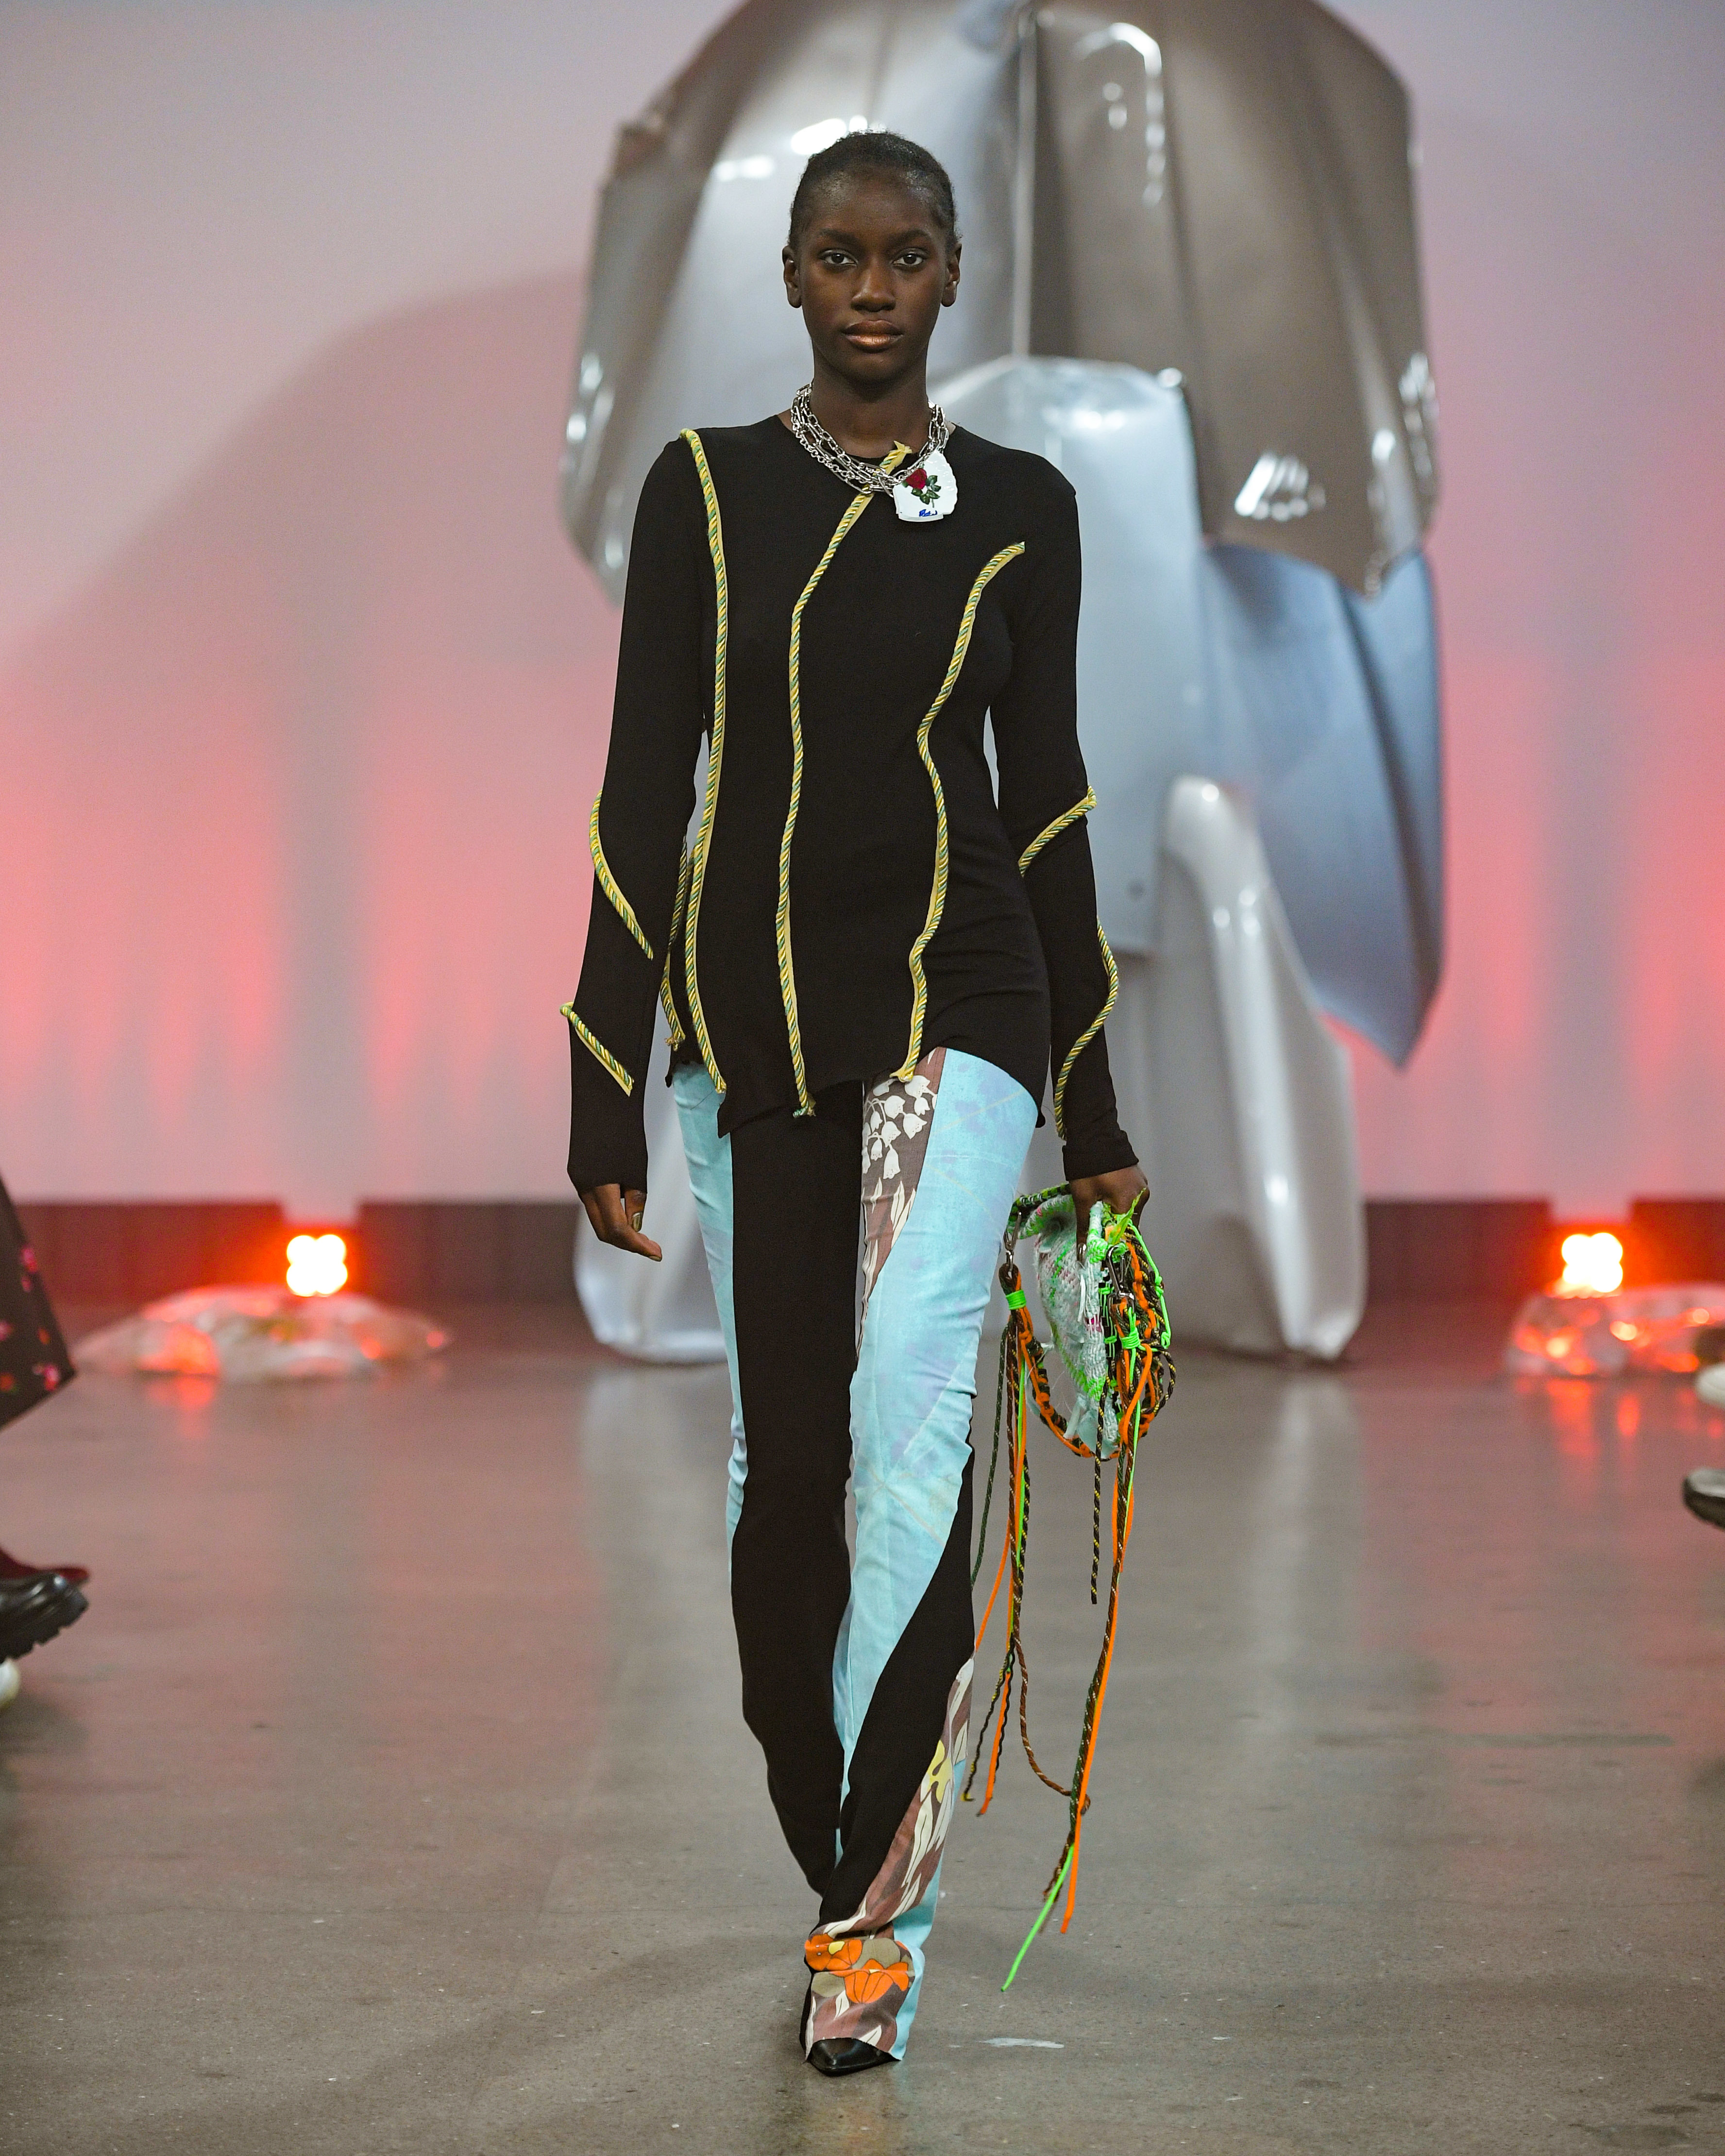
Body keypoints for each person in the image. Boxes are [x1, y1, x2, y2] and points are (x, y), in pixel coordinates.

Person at [563, 130, 1145, 2075]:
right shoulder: (704, 493)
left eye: (906, 255)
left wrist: (1091, 1103)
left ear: (953, 273)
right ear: (795, 275)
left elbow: (1047, 806)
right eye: (839, 254)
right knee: (781, 1476)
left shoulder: (1021, 510)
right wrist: (601, 1078)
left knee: (911, 1423)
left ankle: (874, 1931)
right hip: (753, 1034)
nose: (873, 287)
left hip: (957, 1008)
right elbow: (644, 785)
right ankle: (839, 1845)